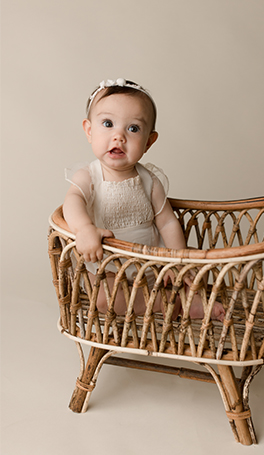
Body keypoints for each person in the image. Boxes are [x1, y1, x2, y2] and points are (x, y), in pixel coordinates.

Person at [63, 78, 225, 322]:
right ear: (89, 130)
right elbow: (72, 201)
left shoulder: (149, 180)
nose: (119, 137)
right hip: (109, 268)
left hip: (153, 266)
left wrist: (176, 260)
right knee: (105, 299)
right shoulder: (89, 175)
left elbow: (167, 222)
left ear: (149, 141)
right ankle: (164, 303)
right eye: (108, 124)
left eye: (133, 129)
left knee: (191, 268)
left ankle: (191, 298)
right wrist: (84, 228)